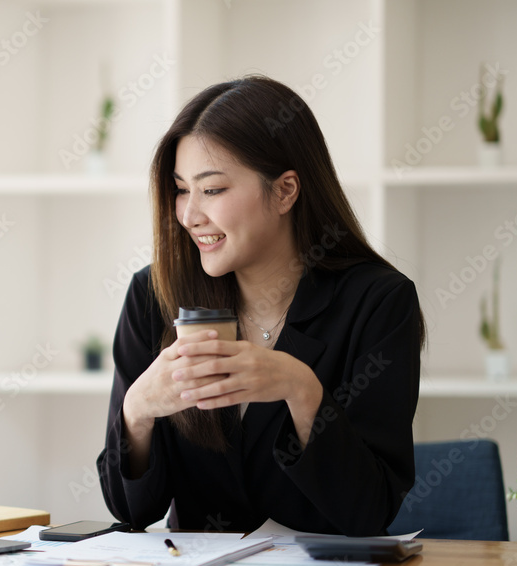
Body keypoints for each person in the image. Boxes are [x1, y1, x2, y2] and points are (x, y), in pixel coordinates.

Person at [96, 75, 425, 537]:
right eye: (180, 189)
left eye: (211, 190)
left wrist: (302, 390)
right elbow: (130, 512)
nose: (190, 215)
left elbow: (368, 510)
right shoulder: (154, 295)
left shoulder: (378, 302)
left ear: (286, 190)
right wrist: (137, 412)